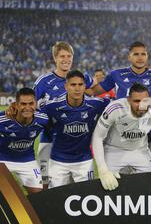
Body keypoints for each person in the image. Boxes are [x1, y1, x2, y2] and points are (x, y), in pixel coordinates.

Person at [7, 41, 95, 185]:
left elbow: (94, 87)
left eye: (69, 56)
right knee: (45, 182)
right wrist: (13, 108)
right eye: (62, 56)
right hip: (49, 139)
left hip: (76, 141)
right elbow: (29, 102)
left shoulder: (81, 78)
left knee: (79, 186)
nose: (66, 59)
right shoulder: (44, 81)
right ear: (55, 58)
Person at [87, 41, 151, 165]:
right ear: (129, 57)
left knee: (148, 174)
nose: (140, 57)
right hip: (122, 134)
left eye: (143, 54)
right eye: (136, 54)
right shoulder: (116, 75)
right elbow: (94, 91)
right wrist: (81, 83)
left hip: (149, 133)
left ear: (147, 56)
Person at [91, 83, 151, 191]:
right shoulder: (115, 109)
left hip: (140, 150)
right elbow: (97, 136)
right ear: (128, 100)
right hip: (114, 150)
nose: (141, 105)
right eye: (136, 101)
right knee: (107, 187)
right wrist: (102, 169)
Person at [0, 88, 48, 193]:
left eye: (31, 103)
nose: (28, 107)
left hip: (27, 160)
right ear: (16, 105)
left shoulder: (43, 119)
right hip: (0, 159)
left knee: (39, 193)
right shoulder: (2, 119)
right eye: (23, 104)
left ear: (35, 104)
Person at [41, 70, 109, 189]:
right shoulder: (51, 106)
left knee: (87, 198)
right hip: (58, 161)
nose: (77, 88)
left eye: (80, 84)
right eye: (73, 85)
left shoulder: (96, 104)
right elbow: (32, 115)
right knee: (55, 199)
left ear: (85, 86)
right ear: (66, 86)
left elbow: (119, 104)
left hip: (84, 161)